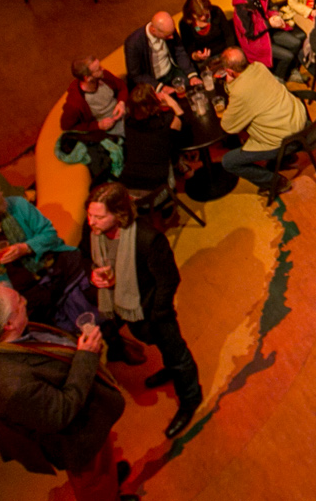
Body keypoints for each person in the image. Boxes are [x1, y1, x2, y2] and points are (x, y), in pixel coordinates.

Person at [0, 284, 134, 501]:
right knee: (94, 485)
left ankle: (112, 480)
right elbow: (62, 411)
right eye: (18, 301)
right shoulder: (11, 385)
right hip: (78, 440)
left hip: (88, 424)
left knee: (104, 469)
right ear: (8, 324)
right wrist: (87, 357)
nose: (25, 299)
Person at [79, 183, 203, 440]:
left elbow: (169, 281)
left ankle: (191, 398)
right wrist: (94, 276)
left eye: (99, 216)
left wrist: (157, 315)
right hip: (124, 307)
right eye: (90, 215)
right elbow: (85, 257)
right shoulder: (93, 231)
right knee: (158, 346)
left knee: (177, 353)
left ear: (120, 214)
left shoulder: (148, 238)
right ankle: (170, 368)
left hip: (152, 310)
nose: (92, 222)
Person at [0, 180, 90, 331]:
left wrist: (26, 248)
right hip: (19, 296)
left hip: (51, 270)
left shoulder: (18, 206)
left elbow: (50, 235)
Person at [217, 47, 310, 199]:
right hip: (300, 121)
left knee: (229, 161)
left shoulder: (239, 90)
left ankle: (277, 182)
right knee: (261, 117)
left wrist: (229, 85)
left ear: (229, 71)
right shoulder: (259, 67)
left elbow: (228, 126)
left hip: (286, 140)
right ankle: (286, 159)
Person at [231, 0, 309, 77]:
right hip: (257, 42)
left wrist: (275, 16)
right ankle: (278, 79)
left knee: (296, 43)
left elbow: (270, 5)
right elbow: (250, 32)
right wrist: (268, 24)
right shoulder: (242, 9)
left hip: (268, 32)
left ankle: (292, 71)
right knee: (288, 56)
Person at [120, 84, 183, 195]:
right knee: (170, 150)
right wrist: (173, 103)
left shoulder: (128, 121)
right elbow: (184, 129)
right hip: (158, 190)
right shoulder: (166, 121)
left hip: (128, 190)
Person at [122, 11, 201, 91]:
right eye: (167, 35)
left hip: (172, 71)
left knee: (194, 89)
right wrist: (159, 87)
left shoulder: (169, 31)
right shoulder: (133, 44)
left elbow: (180, 52)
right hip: (153, 80)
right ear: (153, 30)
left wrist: (191, 75)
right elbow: (136, 75)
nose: (171, 37)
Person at [63, 56, 128, 140]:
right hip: (111, 127)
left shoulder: (103, 76)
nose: (103, 69)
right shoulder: (75, 103)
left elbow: (121, 87)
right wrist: (98, 125)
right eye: (98, 69)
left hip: (125, 110)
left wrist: (121, 102)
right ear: (87, 78)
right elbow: (67, 126)